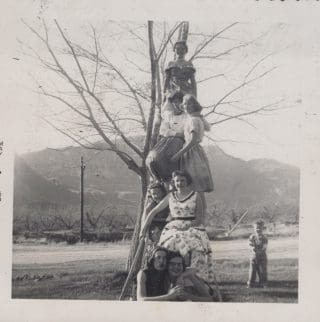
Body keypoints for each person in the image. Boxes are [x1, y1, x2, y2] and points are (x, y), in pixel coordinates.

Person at [140, 170, 215, 284]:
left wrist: (186, 226)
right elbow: (153, 212)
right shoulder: (170, 196)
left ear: (187, 181)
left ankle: (190, 278)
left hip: (192, 226)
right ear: (173, 182)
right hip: (173, 227)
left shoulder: (195, 196)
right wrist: (143, 230)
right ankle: (168, 278)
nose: (179, 183)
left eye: (182, 180)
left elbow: (199, 218)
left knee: (193, 247)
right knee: (169, 244)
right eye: (177, 181)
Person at [170, 94, 214, 193]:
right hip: (196, 151)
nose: (187, 106)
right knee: (195, 185)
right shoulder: (195, 118)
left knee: (193, 183)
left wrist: (178, 154)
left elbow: (193, 140)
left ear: (194, 105)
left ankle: (197, 206)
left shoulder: (193, 120)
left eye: (190, 104)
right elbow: (208, 127)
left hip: (191, 151)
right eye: (185, 104)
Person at [146, 91, 186, 183]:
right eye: (175, 102)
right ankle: (160, 180)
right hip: (166, 140)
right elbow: (163, 130)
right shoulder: (169, 116)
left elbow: (185, 131)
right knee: (153, 158)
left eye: (179, 102)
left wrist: (177, 134)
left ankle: (172, 178)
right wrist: (176, 133)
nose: (177, 104)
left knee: (172, 158)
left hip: (180, 141)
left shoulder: (186, 116)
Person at [247, 220, 268, 288]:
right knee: (252, 271)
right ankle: (251, 283)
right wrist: (252, 248)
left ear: (262, 228)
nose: (258, 229)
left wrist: (260, 250)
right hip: (254, 256)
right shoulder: (252, 237)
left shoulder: (264, 237)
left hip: (262, 256)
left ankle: (263, 283)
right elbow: (250, 244)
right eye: (256, 228)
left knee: (262, 270)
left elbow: (264, 247)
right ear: (254, 228)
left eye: (260, 228)